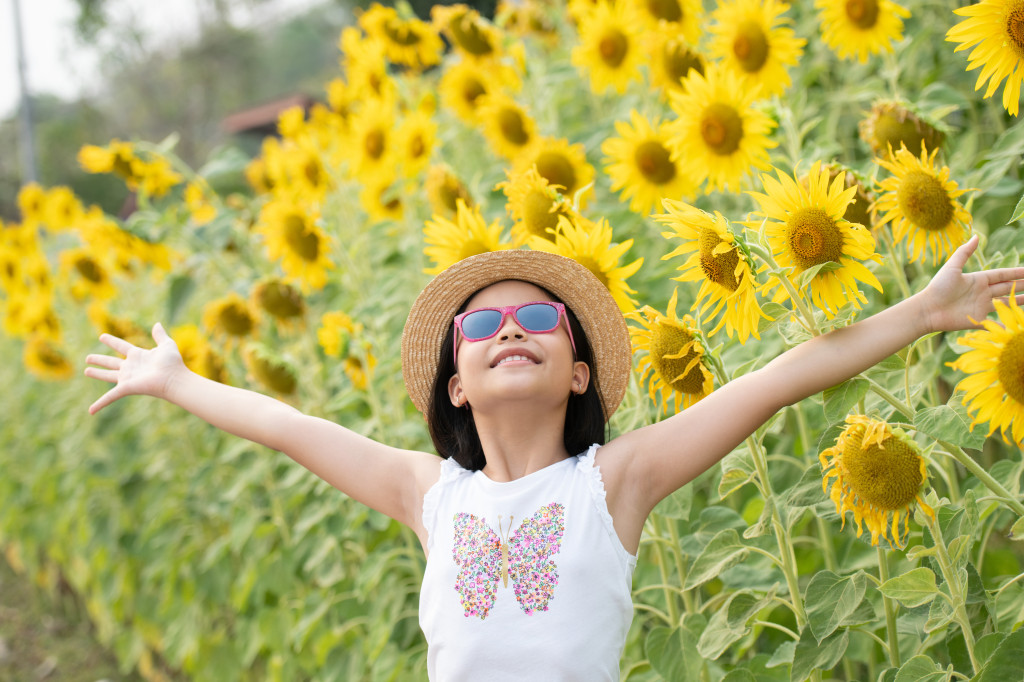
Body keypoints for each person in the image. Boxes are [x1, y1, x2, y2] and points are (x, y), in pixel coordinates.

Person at [85, 236, 1023, 681]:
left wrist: (922, 315)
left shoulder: (613, 483)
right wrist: (176, 380)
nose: (509, 332)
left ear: (579, 369)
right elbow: (286, 425)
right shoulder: (429, 495)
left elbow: (776, 381)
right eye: (482, 325)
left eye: (539, 317)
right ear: (455, 382)